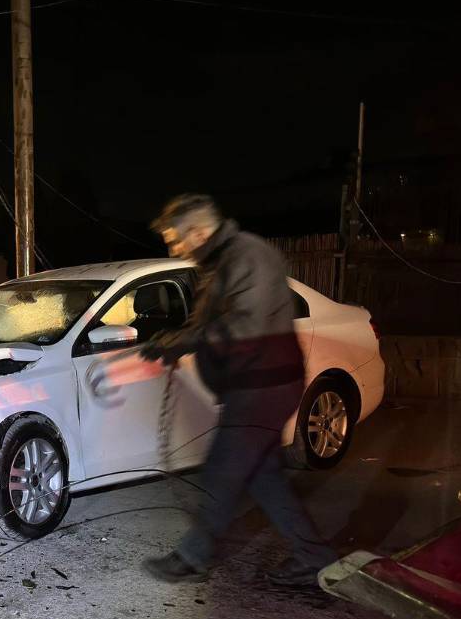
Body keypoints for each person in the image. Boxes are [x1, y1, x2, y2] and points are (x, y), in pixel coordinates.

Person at [139, 194, 335, 587]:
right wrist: (176, 340)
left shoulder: (249, 255)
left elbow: (246, 324)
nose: (173, 249)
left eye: (176, 240)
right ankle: (314, 557)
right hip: (254, 383)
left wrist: (186, 341)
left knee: (222, 471)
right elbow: (212, 322)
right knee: (265, 478)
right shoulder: (218, 263)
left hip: (264, 384)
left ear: (198, 232)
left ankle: (192, 558)